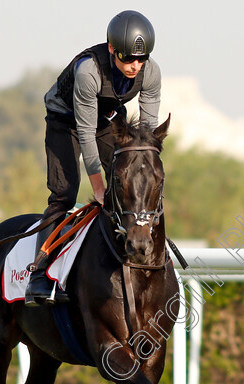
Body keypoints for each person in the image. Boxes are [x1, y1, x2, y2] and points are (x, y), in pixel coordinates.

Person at [25, 10, 162, 306]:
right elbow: (85, 133)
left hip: (106, 119)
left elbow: (145, 136)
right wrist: (98, 187)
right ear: (112, 49)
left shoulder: (151, 72)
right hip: (66, 120)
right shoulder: (89, 71)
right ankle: (40, 274)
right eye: (128, 59)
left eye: (141, 59)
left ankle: (128, 250)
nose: (135, 66)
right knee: (64, 193)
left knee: (130, 183)